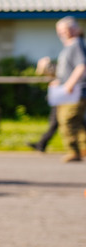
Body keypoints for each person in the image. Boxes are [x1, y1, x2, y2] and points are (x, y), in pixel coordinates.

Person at [45, 16, 85, 162]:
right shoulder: (69, 46)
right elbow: (68, 70)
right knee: (76, 121)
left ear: (75, 29)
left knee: (67, 119)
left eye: (66, 30)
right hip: (68, 91)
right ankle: (80, 148)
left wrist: (70, 84)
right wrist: (59, 81)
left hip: (76, 91)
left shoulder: (76, 44)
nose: (62, 33)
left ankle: (76, 151)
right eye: (60, 31)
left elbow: (82, 66)